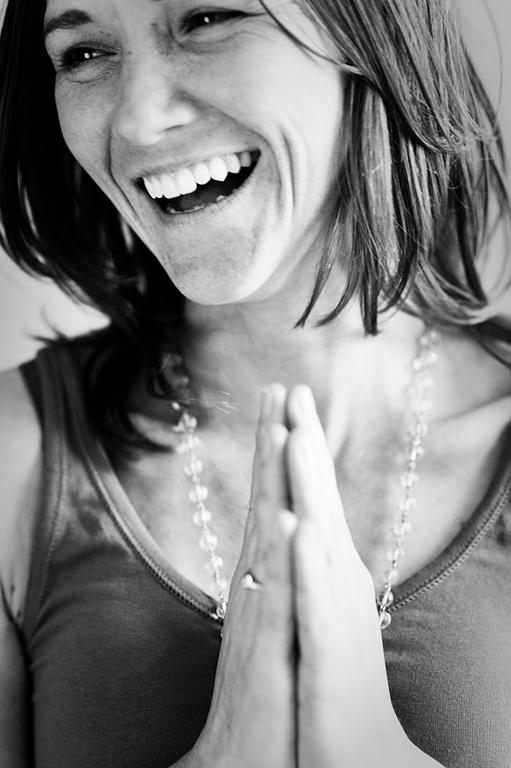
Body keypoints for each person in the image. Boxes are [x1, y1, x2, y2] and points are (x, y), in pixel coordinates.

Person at [0, 0, 510, 765]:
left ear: (368, 32)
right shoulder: (13, 459)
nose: (137, 120)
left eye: (206, 19)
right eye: (82, 54)